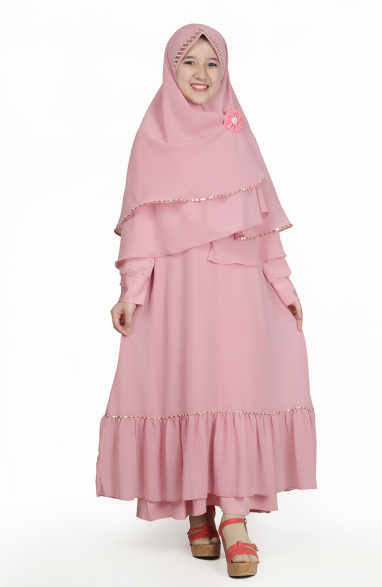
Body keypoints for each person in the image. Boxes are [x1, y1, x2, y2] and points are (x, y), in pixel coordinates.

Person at [95, 23, 317, 578]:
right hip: (178, 289)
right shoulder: (152, 137)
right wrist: (131, 292)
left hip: (238, 287)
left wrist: (284, 285)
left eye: (212, 63)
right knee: (188, 386)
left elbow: (262, 220)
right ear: (171, 69)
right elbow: (143, 223)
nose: (201, 74)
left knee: (236, 388)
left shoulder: (236, 132)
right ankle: (197, 512)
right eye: (189, 62)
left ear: (225, 70)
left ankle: (234, 519)